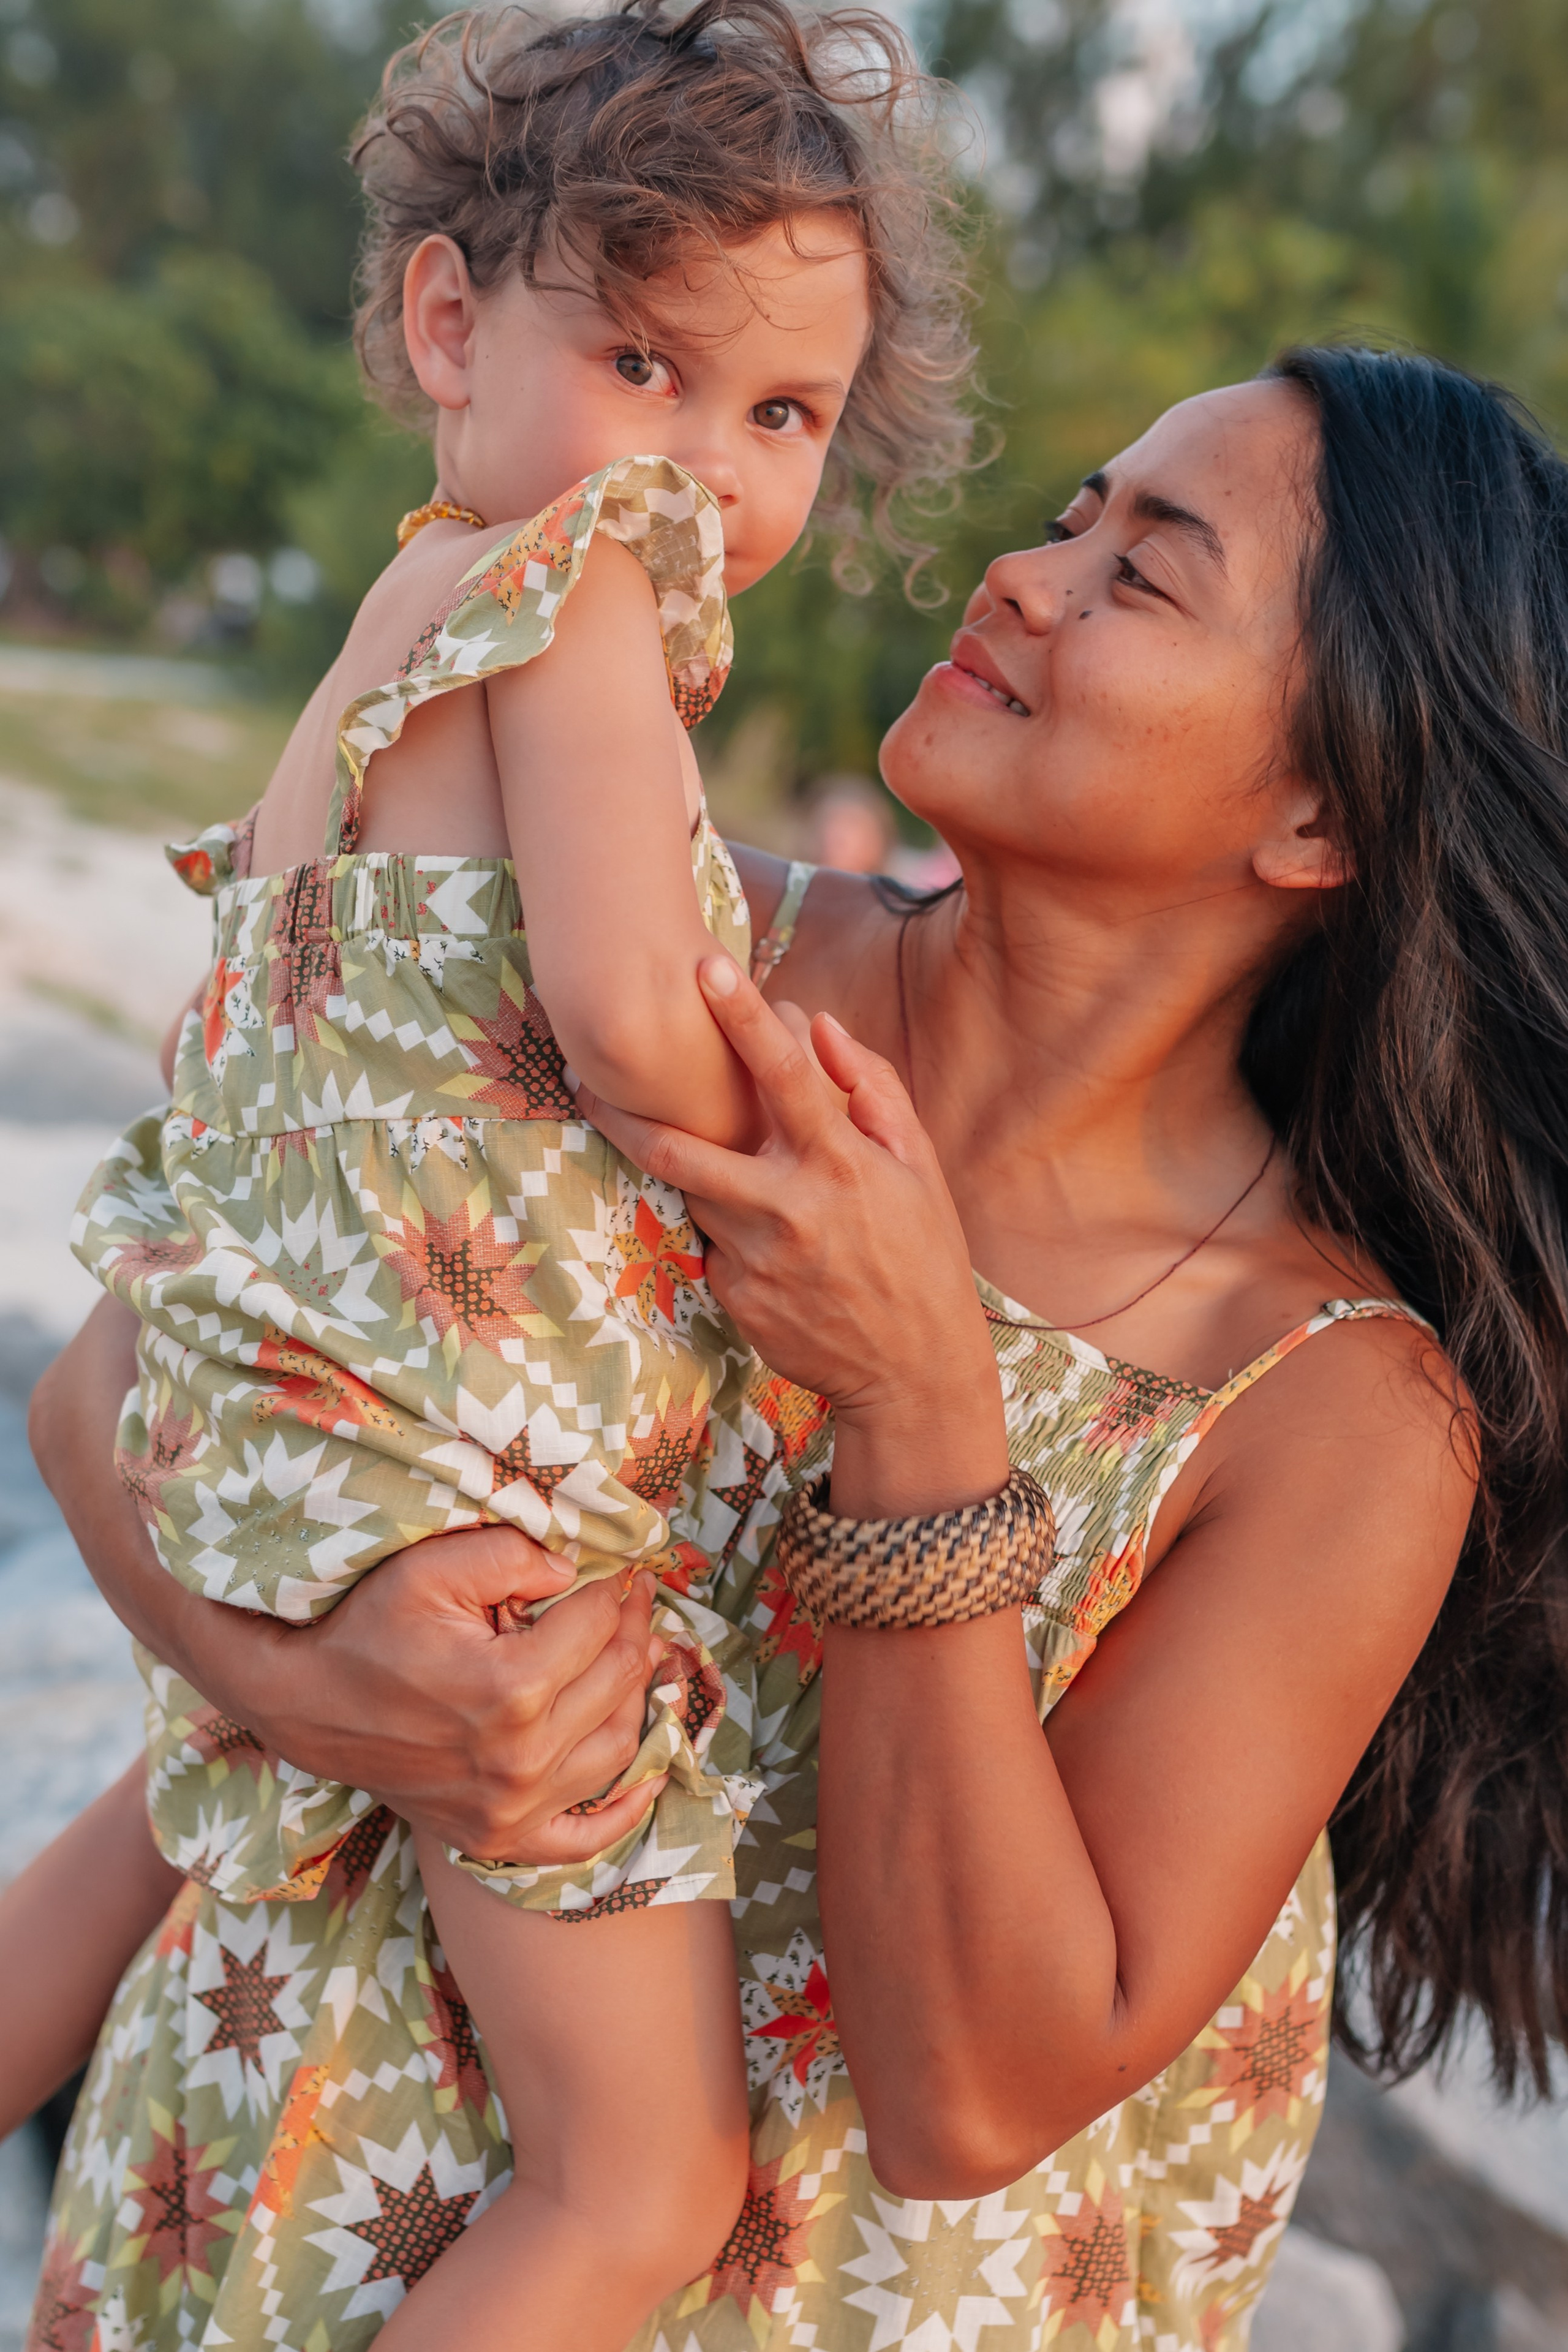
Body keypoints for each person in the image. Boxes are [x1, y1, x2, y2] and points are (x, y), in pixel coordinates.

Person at [22, 343, 1568, 2351]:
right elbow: (112, 1393)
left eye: (1147, 571)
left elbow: (977, 2095)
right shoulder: (634, 956)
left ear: (1320, 810)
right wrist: (305, 1679)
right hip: (280, 2164)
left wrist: (920, 1405)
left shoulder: (1332, 1399)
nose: (1026, 572)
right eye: (1072, 514)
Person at [4, 3, 975, 2346]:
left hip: (274, 1406)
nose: (712, 466)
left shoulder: (386, 628)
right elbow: (636, 1013)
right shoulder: (595, 591)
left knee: (161, 1808)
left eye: (783, 415)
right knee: (639, 2176)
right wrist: (803, 1143)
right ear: (450, 317)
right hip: (461, 1458)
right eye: (649, 361)